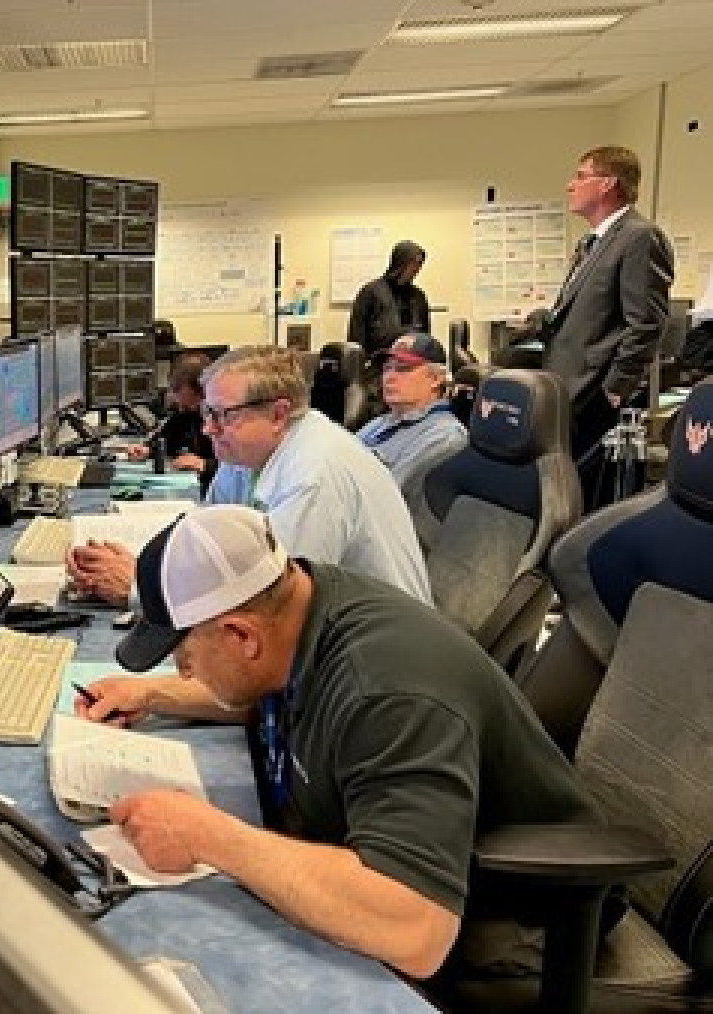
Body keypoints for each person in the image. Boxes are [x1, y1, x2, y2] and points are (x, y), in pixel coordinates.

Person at [79, 505, 599, 980]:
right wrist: (155, 693)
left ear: (241, 636)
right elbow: (264, 682)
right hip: (406, 862)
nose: (182, 668)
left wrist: (209, 836)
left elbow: (416, 928)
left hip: (515, 922)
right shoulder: (305, 602)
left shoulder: (388, 691)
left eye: (182, 653)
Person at [66, 347, 431, 605]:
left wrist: (139, 590)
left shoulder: (314, 475)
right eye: (207, 412)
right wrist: (142, 565)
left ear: (278, 414)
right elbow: (206, 537)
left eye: (222, 415)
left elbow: (271, 605)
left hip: (372, 668)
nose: (208, 429)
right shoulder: (245, 451)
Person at [544, 145, 674, 508]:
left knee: (587, 497)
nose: (571, 185)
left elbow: (647, 322)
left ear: (608, 184)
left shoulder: (639, 237)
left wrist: (616, 387)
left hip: (596, 391)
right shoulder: (592, 243)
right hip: (569, 386)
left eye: (581, 176)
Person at [356, 333, 467, 493]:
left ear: (436, 379)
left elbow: (385, 496)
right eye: (386, 368)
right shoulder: (381, 422)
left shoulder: (445, 437)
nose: (389, 377)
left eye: (403, 369)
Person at [125, 352, 217, 485]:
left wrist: (206, 465)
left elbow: (243, 467)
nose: (180, 407)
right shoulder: (186, 412)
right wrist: (148, 449)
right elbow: (168, 437)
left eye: (178, 389)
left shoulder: (225, 418)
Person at [347, 241, 431, 358]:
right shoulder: (371, 292)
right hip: (378, 363)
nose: (416, 269)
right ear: (400, 262)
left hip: (411, 364)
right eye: (413, 263)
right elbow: (356, 335)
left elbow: (425, 336)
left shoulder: (419, 297)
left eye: (419, 264)